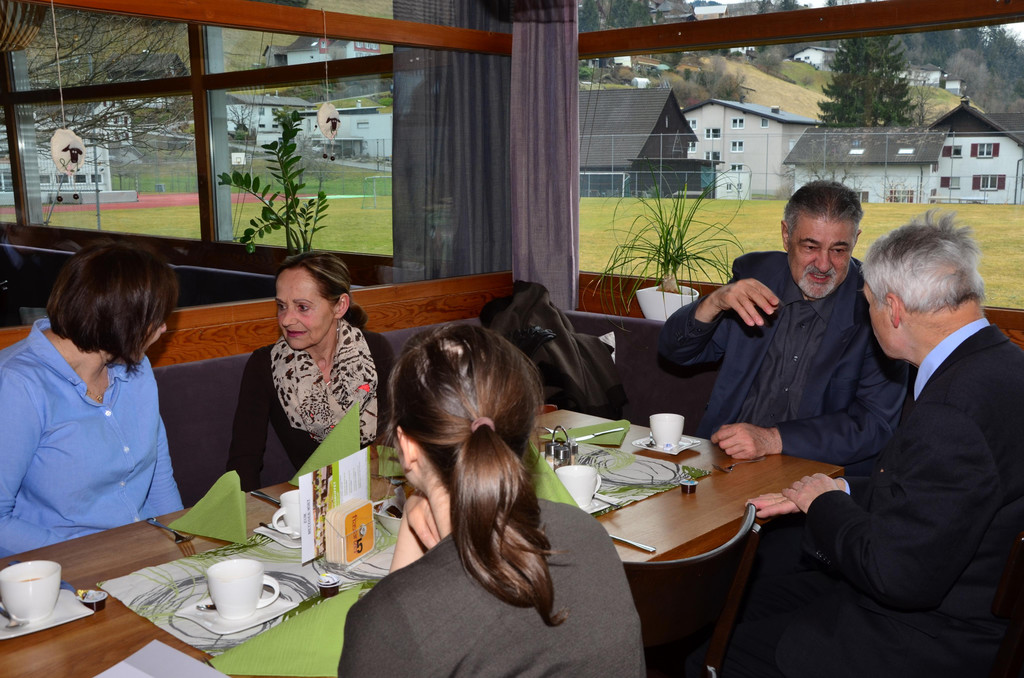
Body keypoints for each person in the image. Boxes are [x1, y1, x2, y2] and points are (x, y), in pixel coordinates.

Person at [704, 212, 1024, 677]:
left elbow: (899, 577)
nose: (865, 314)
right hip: (958, 597)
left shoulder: (952, 412)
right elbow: (936, 494)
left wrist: (824, 505)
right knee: (732, 604)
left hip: (924, 639)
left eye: (867, 302)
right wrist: (839, 489)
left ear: (893, 309)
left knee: (711, 649)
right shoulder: (1004, 365)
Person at [338, 324, 644, 677]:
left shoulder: (386, 623)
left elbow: (400, 630)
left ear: (406, 448)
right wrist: (412, 516)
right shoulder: (587, 534)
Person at [658, 180, 906, 474]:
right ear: (786, 235)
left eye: (839, 250)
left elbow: (875, 424)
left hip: (814, 477)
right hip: (724, 461)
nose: (823, 264)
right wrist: (713, 303)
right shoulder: (755, 278)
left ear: (856, 239)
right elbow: (676, 352)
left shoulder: (874, 308)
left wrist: (773, 439)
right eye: (810, 247)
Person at [0, 241, 183, 557]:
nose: (164, 328)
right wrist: (96, 556)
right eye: (155, 317)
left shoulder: (137, 367)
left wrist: (184, 547)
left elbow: (159, 479)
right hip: (58, 564)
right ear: (120, 319)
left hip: (142, 551)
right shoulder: (17, 385)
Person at [227, 252, 392, 491]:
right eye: (282, 306)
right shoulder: (265, 366)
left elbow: (397, 437)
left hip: (378, 492)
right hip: (313, 500)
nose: (286, 320)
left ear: (340, 306)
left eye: (302, 307)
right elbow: (243, 462)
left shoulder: (375, 350)